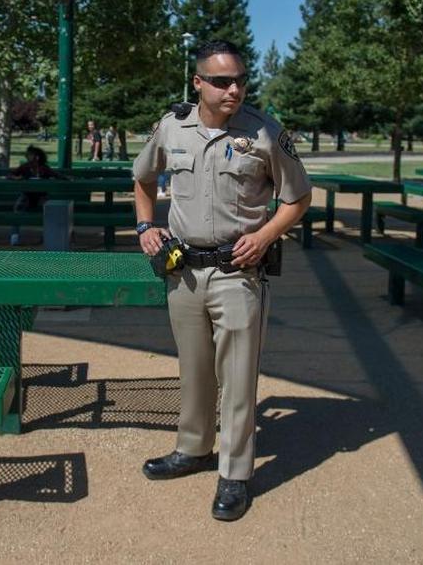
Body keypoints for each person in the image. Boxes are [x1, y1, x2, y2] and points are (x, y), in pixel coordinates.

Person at [132, 39, 312, 521]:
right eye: (221, 81)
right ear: (197, 83)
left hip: (238, 272)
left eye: (240, 80)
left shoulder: (265, 133)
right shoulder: (172, 127)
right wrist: (147, 226)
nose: (234, 89)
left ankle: (234, 475)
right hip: (184, 273)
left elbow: (298, 197)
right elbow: (143, 177)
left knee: (237, 377)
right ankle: (192, 449)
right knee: (193, 370)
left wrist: (267, 235)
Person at [6, 145, 63, 245]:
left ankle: (46, 236)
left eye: (29, 155)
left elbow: (57, 175)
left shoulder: (44, 168)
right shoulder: (25, 167)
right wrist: (15, 178)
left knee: (49, 210)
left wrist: (68, 178)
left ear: (37, 157)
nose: (27, 156)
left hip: (41, 196)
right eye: (27, 155)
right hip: (27, 195)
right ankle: (14, 236)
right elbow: (10, 175)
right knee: (18, 207)